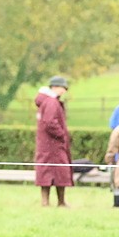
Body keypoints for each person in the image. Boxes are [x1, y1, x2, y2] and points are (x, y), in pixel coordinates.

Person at [35, 75, 72, 207]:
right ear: (55, 87)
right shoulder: (51, 102)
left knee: (47, 172)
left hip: (47, 145)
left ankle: (47, 202)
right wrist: (62, 135)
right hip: (53, 145)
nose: (64, 91)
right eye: (63, 88)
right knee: (59, 172)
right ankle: (59, 202)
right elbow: (50, 122)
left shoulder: (47, 101)